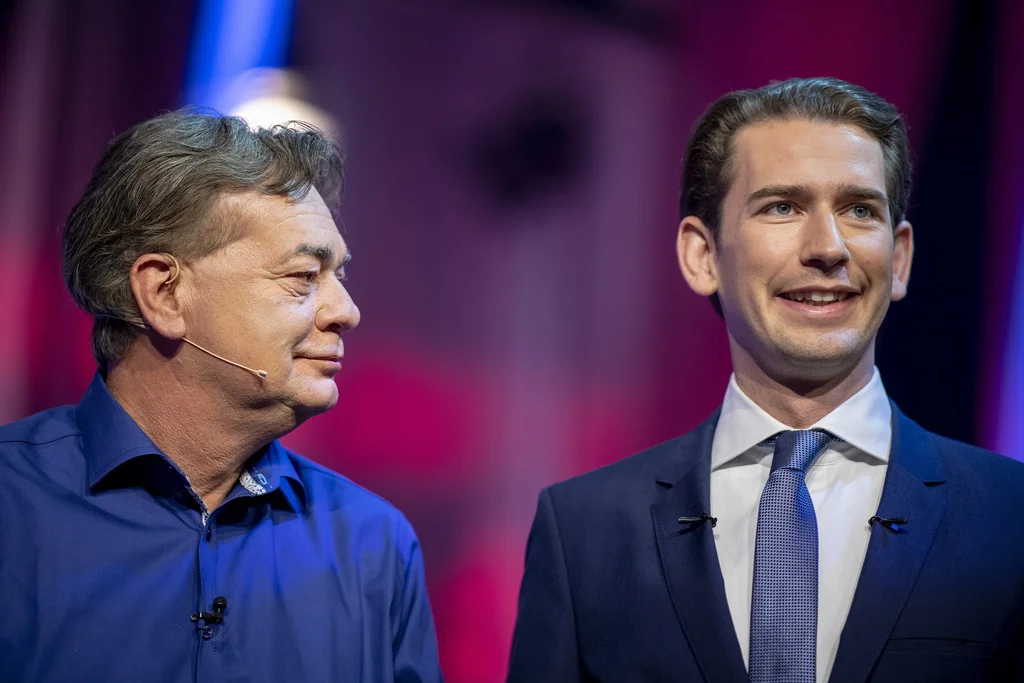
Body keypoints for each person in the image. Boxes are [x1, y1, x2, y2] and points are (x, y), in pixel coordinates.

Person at [507, 77, 1024, 682]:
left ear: (900, 256)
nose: (828, 248)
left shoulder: (1009, 517)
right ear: (703, 255)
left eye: (859, 209)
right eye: (782, 207)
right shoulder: (584, 533)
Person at [0, 111, 442, 683]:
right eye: (304, 276)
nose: (346, 313)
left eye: (340, 277)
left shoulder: (373, 547)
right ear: (164, 293)